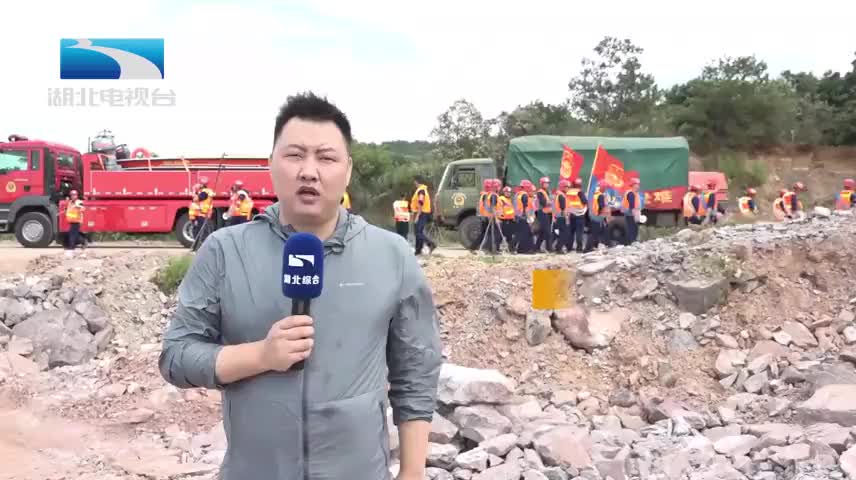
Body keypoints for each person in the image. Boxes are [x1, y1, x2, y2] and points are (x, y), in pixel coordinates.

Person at [158, 92, 442, 480]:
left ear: (347, 170)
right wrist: (261, 355)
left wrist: (412, 473)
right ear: (271, 163)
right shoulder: (224, 251)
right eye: (295, 155)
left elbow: (417, 373)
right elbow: (176, 356)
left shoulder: (392, 255)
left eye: (326, 158)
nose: (309, 171)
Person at [411, 176, 437, 255]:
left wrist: (418, 215)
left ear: (417, 181)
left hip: (421, 213)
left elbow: (420, 202)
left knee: (418, 232)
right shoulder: (423, 190)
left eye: (414, 181)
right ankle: (418, 250)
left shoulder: (421, 190)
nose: (414, 183)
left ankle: (431, 244)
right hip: (422, 213)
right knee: (418, 232)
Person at [565, 178, 588, 253]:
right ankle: (579, 248)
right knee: (579, 232)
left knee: (571, 232)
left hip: (571, 214)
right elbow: (584, 202)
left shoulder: (568, 192)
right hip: (579, 214)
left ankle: (569, 247)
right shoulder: (580, 192)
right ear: (580, 185)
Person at [585, 184, 609, 250]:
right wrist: (604, 216)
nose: (605, 189)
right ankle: (588, 248)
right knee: (595, 232)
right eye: (605, 187)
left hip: (594, 215)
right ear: (602, 187)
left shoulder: (595, 195)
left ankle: (597, 245)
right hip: (598, 216)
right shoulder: (600, 195)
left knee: (600, 231)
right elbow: (601, 206)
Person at [534, 177, 553, 252]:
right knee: (548, 232)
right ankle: (549, 248)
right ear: (542, 184)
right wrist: (551, 202)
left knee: (542, 232)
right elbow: (544, 203)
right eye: (546, 183)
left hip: (547, 213)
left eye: (548, 183)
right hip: (542, 213)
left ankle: (537, 247)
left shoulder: (547, 192)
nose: (547, 185)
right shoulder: (540, 192)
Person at [64, 190, 85, 254]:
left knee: (72, 234)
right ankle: (83, 241)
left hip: (77, 221)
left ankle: (72, 247)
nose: (73, 196)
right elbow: (67, 209)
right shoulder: (70, 202)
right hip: (71, 221)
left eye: (74, 195)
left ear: (77, 196)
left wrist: (78, 206)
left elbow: (83, 210)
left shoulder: (79, 202)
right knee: (75, 234)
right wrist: (66, 204)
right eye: (72, 195)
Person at [552, 179, 570, 253]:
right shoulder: (561, 196)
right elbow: (563, 208)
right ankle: (559, 248)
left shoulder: (558, 195)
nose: (568, 188)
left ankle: (557, 247)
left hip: (558, 217)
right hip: (561, 217)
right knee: (564, 234)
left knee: (558, 233)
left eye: (568, 187)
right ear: (562, 187)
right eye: (566, 187)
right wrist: (566, 218)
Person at [497, 185, 517, 252]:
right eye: (507, 192)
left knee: (509, 235)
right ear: (504, 192)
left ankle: (510, 248)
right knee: (500, 235)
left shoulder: (509, 199)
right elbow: (499, 209)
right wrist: (499, 217)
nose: (508, 193)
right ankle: (497, 248)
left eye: (509, 192)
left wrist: (513, 217)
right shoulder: (501, 199)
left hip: (510, 220)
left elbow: (511, 209)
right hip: (503, 220)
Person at [622, 178, 641, 245]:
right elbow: (632, 204)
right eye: (637, 184)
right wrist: (635, 214)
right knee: (632, 227)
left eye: (638, 184)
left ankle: (633, 241)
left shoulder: (634, 193)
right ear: (633, 185)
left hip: (632, 213)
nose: (638, 186)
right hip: (630, 213)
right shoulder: (630, 193)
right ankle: (631, 241)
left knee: (634, 227)